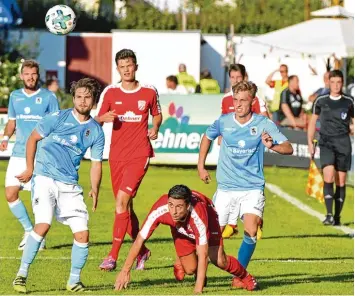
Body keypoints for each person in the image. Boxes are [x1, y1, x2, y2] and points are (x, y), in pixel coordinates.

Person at [12, 77, 105, 293]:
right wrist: (29, 168)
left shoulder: (96, 131)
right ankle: (21, 275)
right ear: (73, 98)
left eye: (87, 97)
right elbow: (32, 139)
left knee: (83, 234)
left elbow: (96, 164)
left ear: (93, 101)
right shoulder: (57, 118)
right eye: (79, 97)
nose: (82, 101)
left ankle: (73, 281)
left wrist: (95, 189)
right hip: (44, 178)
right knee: (43, 225)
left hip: (69, 184)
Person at [197, 81, 293, 280]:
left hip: (252, 188)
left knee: (251, 229)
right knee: (215, 235)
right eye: (235, 99)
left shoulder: (263, 123)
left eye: (243, 100)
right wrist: (201, 165)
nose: (238, 104)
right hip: (226, 188)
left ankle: (239, 275)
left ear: (252, 102)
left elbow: (288, 147)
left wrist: (271, 145)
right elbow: (207, 137)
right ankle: (198, 271)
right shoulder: (223, 121)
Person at [114, 185, 259, 293]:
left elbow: (203, 254)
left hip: (208, 215)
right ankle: (186, 263)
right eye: (171, 205)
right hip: (180, 229)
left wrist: (198, 290)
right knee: (190, 269)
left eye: (179, 207)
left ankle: (245, 277)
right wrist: (125, 271)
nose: (174, 211)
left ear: (188, 205)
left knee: (219, 259)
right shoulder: (160, 209)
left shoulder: (198, 214)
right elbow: (139, 240)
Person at [96, 49, 162, 271]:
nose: (126, 70)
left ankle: (112, 257)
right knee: (125, 208)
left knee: (121, 203)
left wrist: (155, 127)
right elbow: (96, 118)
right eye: (122, 66)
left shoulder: (149, 92)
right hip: (116, 156)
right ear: (118, 69)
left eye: (129, 65)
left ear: (136, 66)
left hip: (139, 154)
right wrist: (102, 118)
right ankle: (142, 251)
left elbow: (157, 114)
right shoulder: (110, 92)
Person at [0, 59, 59, 251]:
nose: (30, 77)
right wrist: (6, 137)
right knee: (10, 192)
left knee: (38, 198)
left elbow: (55, 125)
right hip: (18, 153)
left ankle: (38, 238)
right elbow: (11, 122)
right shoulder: (15, 96)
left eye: (33, 74)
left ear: (38, 75)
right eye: (27, 74)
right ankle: (28, 230)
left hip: (41, 154)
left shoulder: (49, 97)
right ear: (21, 76)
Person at [308, 70, 354, 226]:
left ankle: (337, 216)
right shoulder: (320, 100)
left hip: (343, 143)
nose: (335, 85)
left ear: (342, 83)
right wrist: (310, 142)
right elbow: (312, 122)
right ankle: (328, 215)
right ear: (328, 83)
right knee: (328, 176)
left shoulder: (349, 101)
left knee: (340, 181)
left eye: (338, 82)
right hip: (326, 143)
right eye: (332, 82)